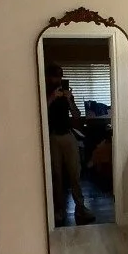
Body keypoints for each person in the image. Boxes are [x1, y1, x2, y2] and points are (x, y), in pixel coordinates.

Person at [45, 63, 95, 227]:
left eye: (60, 76)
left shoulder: (66, 93)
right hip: (52, 137)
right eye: (55, 76)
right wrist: (52, 97)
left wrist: (68, 99)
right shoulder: (45, 92)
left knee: (75, 173)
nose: (57, 79)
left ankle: (80, 208)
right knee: (56, 176)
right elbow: (39, 112)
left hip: (67, 134)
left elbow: (77, 114)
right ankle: (58, 211)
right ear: (48, 77)